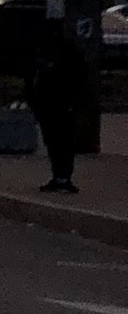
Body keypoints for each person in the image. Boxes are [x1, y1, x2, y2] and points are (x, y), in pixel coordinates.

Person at [24, 16, 98, 195]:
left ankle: (64, 177)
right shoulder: (44, 50)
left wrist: (74, 102)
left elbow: (79, 77)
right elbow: (32, 77)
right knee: (55, 142)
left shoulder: (66, 51)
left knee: (63, 142)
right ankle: (59, 176)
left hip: (63, 104)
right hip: (49, 104)